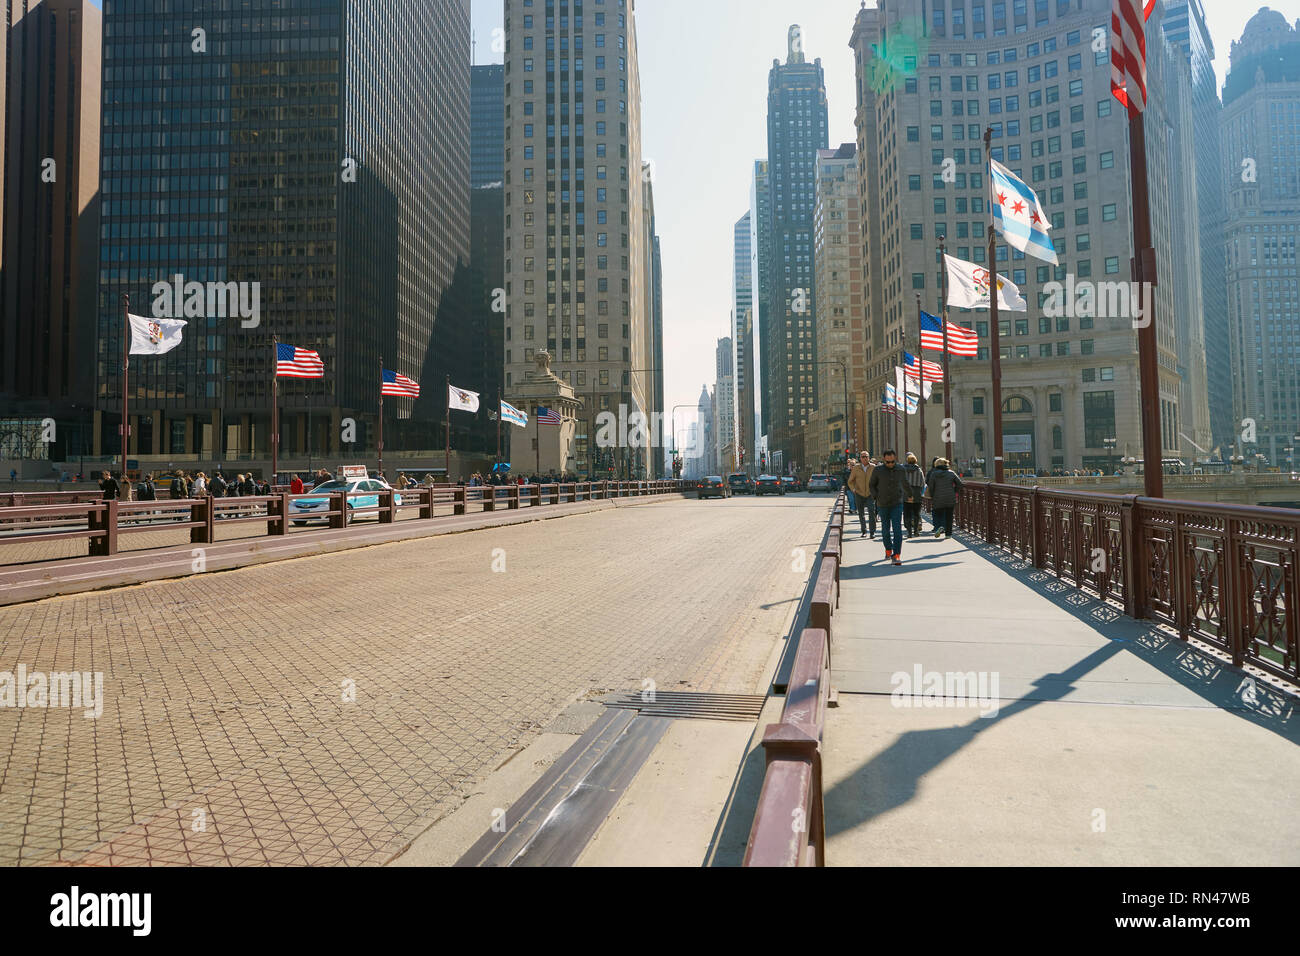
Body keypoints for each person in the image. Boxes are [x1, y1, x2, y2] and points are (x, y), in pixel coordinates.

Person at [869, 449, 913, 566]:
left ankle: (897, 555)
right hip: (882, 504)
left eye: (892, 462)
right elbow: (871, 485)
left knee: (897, 529)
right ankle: (888, 550)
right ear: (884, 460)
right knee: (885, 530)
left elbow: (905, 483)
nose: (890, 464)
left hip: (897, 503)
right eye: (888, 462)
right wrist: (875, 497)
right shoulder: (878, 470)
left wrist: (910, 494)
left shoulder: (900, 469)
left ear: (895, 459)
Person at [926, 457, 963, 540]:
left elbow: (931, 486)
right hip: (950, 497)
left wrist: (932, 495)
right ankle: (948, 534)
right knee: (949, 516)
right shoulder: (951, 473)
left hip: (938, 498)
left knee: (938, 513)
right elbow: (960, 484)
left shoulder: (934, 474)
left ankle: (940, 526)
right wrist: (954, 491)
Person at [847, 452, 876, 539]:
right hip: (859, 494)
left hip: (870, 494)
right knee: (861, 514)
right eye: (863, 457)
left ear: (869, 457)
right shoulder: (856, 468)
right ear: (860, 458)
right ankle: (864, 531)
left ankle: (872, 532)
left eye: (866, 457)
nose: (865, 458)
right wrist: (853, 490)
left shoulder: (873, 467)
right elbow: (850, 481)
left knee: (872, 512)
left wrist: (875, 490)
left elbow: (878, 479)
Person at [903, 453, 925, 538]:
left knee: (907, 513)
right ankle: (916, 531)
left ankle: (909, 532)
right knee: (916, 513)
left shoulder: (903, 470)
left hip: (906, 493)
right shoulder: (919, 470)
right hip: (916, 493)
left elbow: (901, 482)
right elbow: (922, 483)